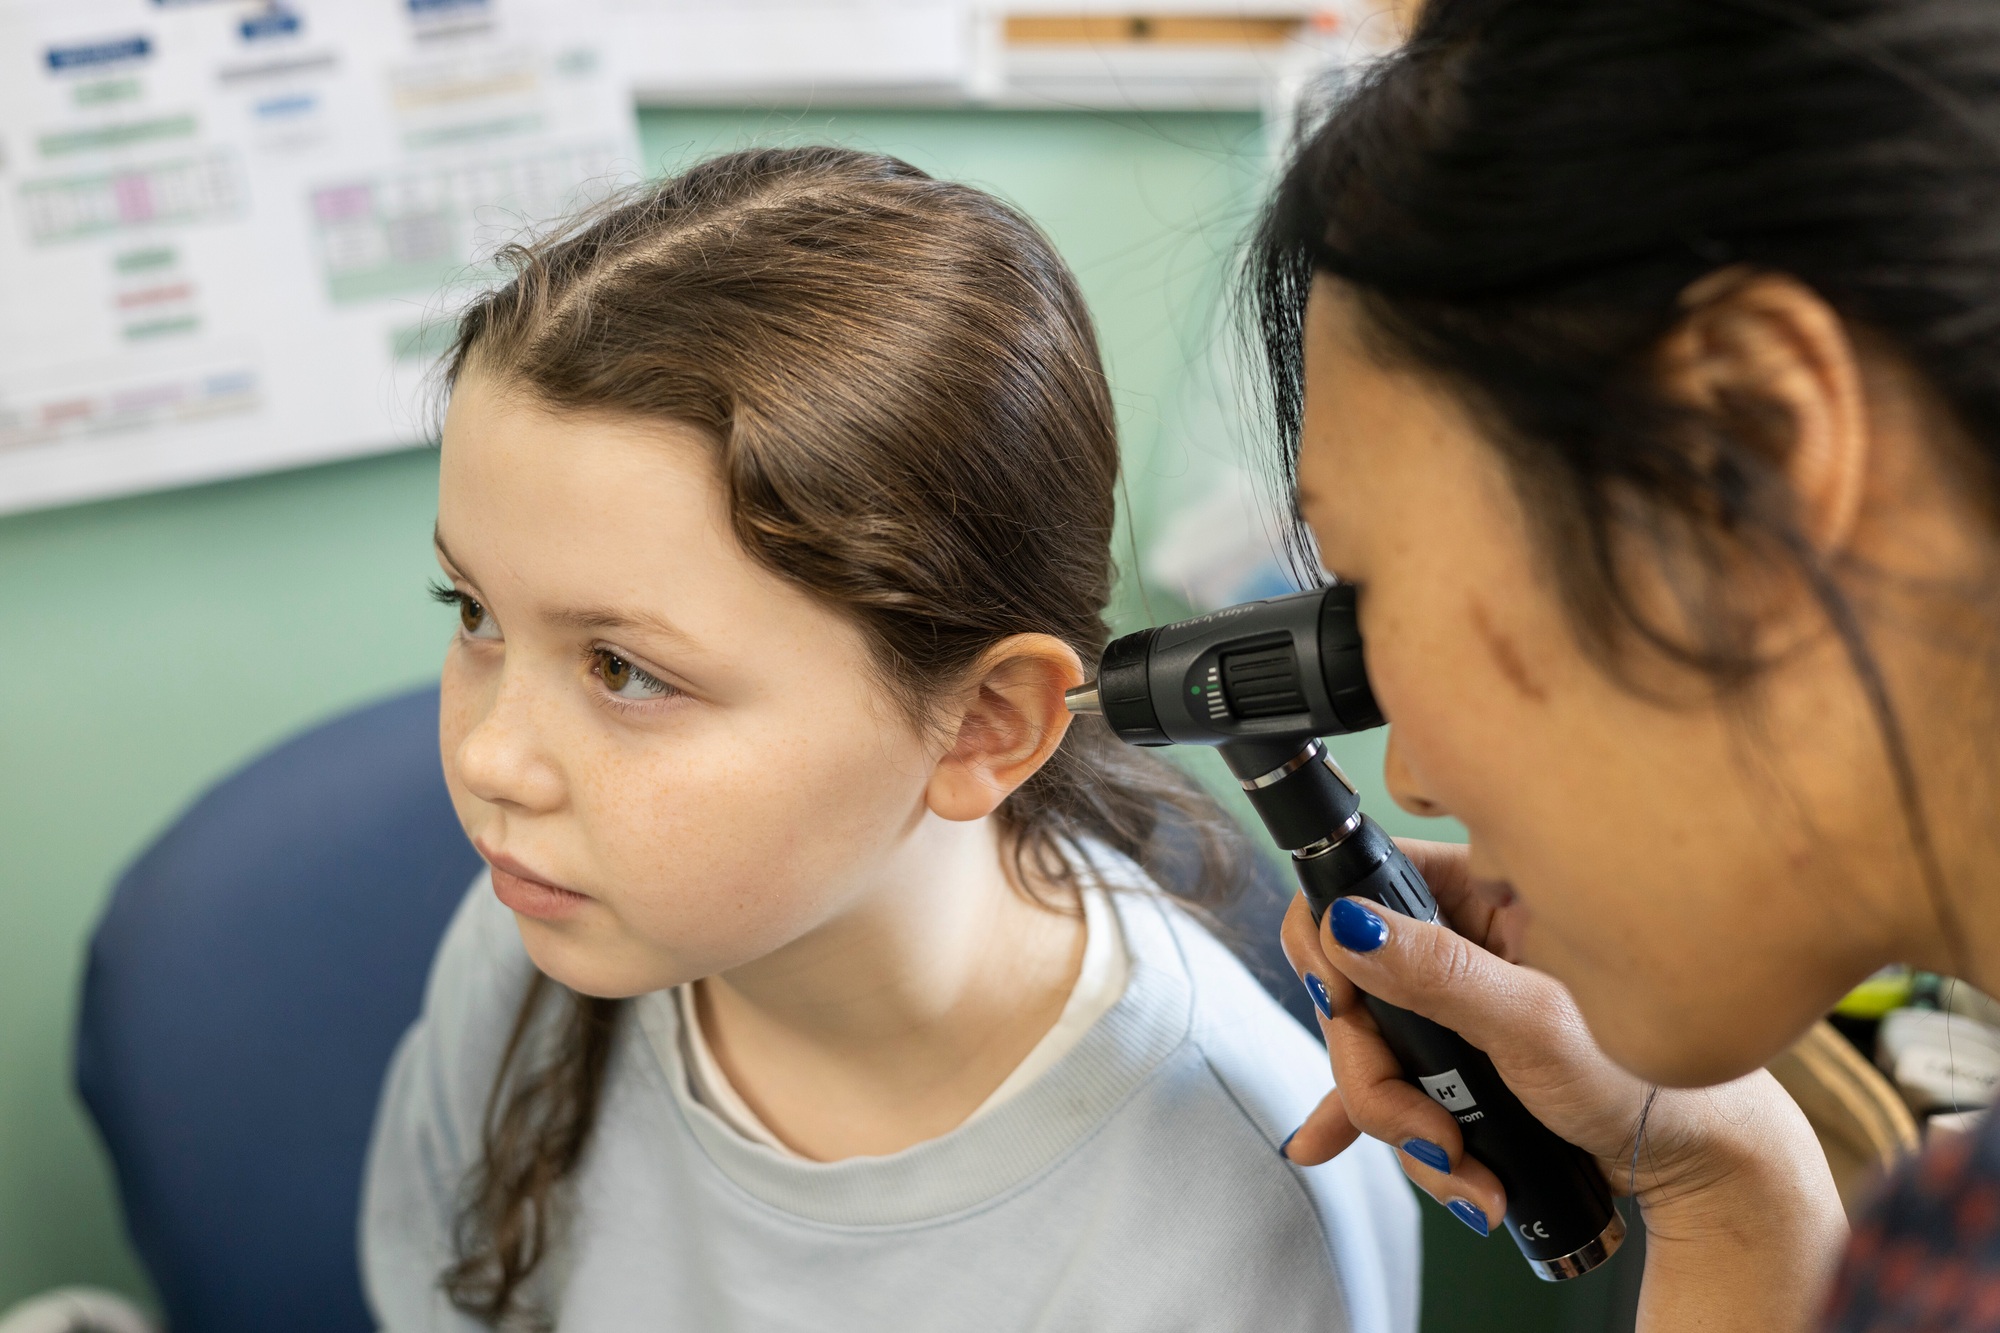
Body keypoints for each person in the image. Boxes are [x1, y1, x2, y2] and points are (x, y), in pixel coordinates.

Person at [360, 147, 1419, 1331]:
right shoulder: (526, 944)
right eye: (475, 615)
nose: (489, 760)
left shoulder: (1232, 1223)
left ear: (983, 725)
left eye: (624, 669)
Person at [1253, 0, 2000, 1329]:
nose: (1412, 779)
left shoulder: (1958, 1249)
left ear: (1745, 456)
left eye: (1374, 579)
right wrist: (1721, 1173)